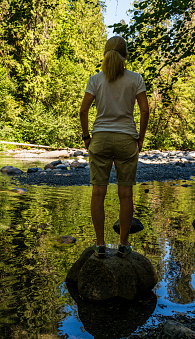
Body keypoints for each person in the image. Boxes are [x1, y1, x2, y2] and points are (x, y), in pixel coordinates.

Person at [79, 36, 150, 258]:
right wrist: (140, 138)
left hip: (99, 138)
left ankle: (100, 245)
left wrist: (86, 137)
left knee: (98, 192)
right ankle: (123, 244)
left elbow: (83, 111)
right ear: (125, 55)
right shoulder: (136, 79)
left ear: (105, 53)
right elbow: (145, 110)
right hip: (126, 139)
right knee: (125, 193)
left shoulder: (95, 79)